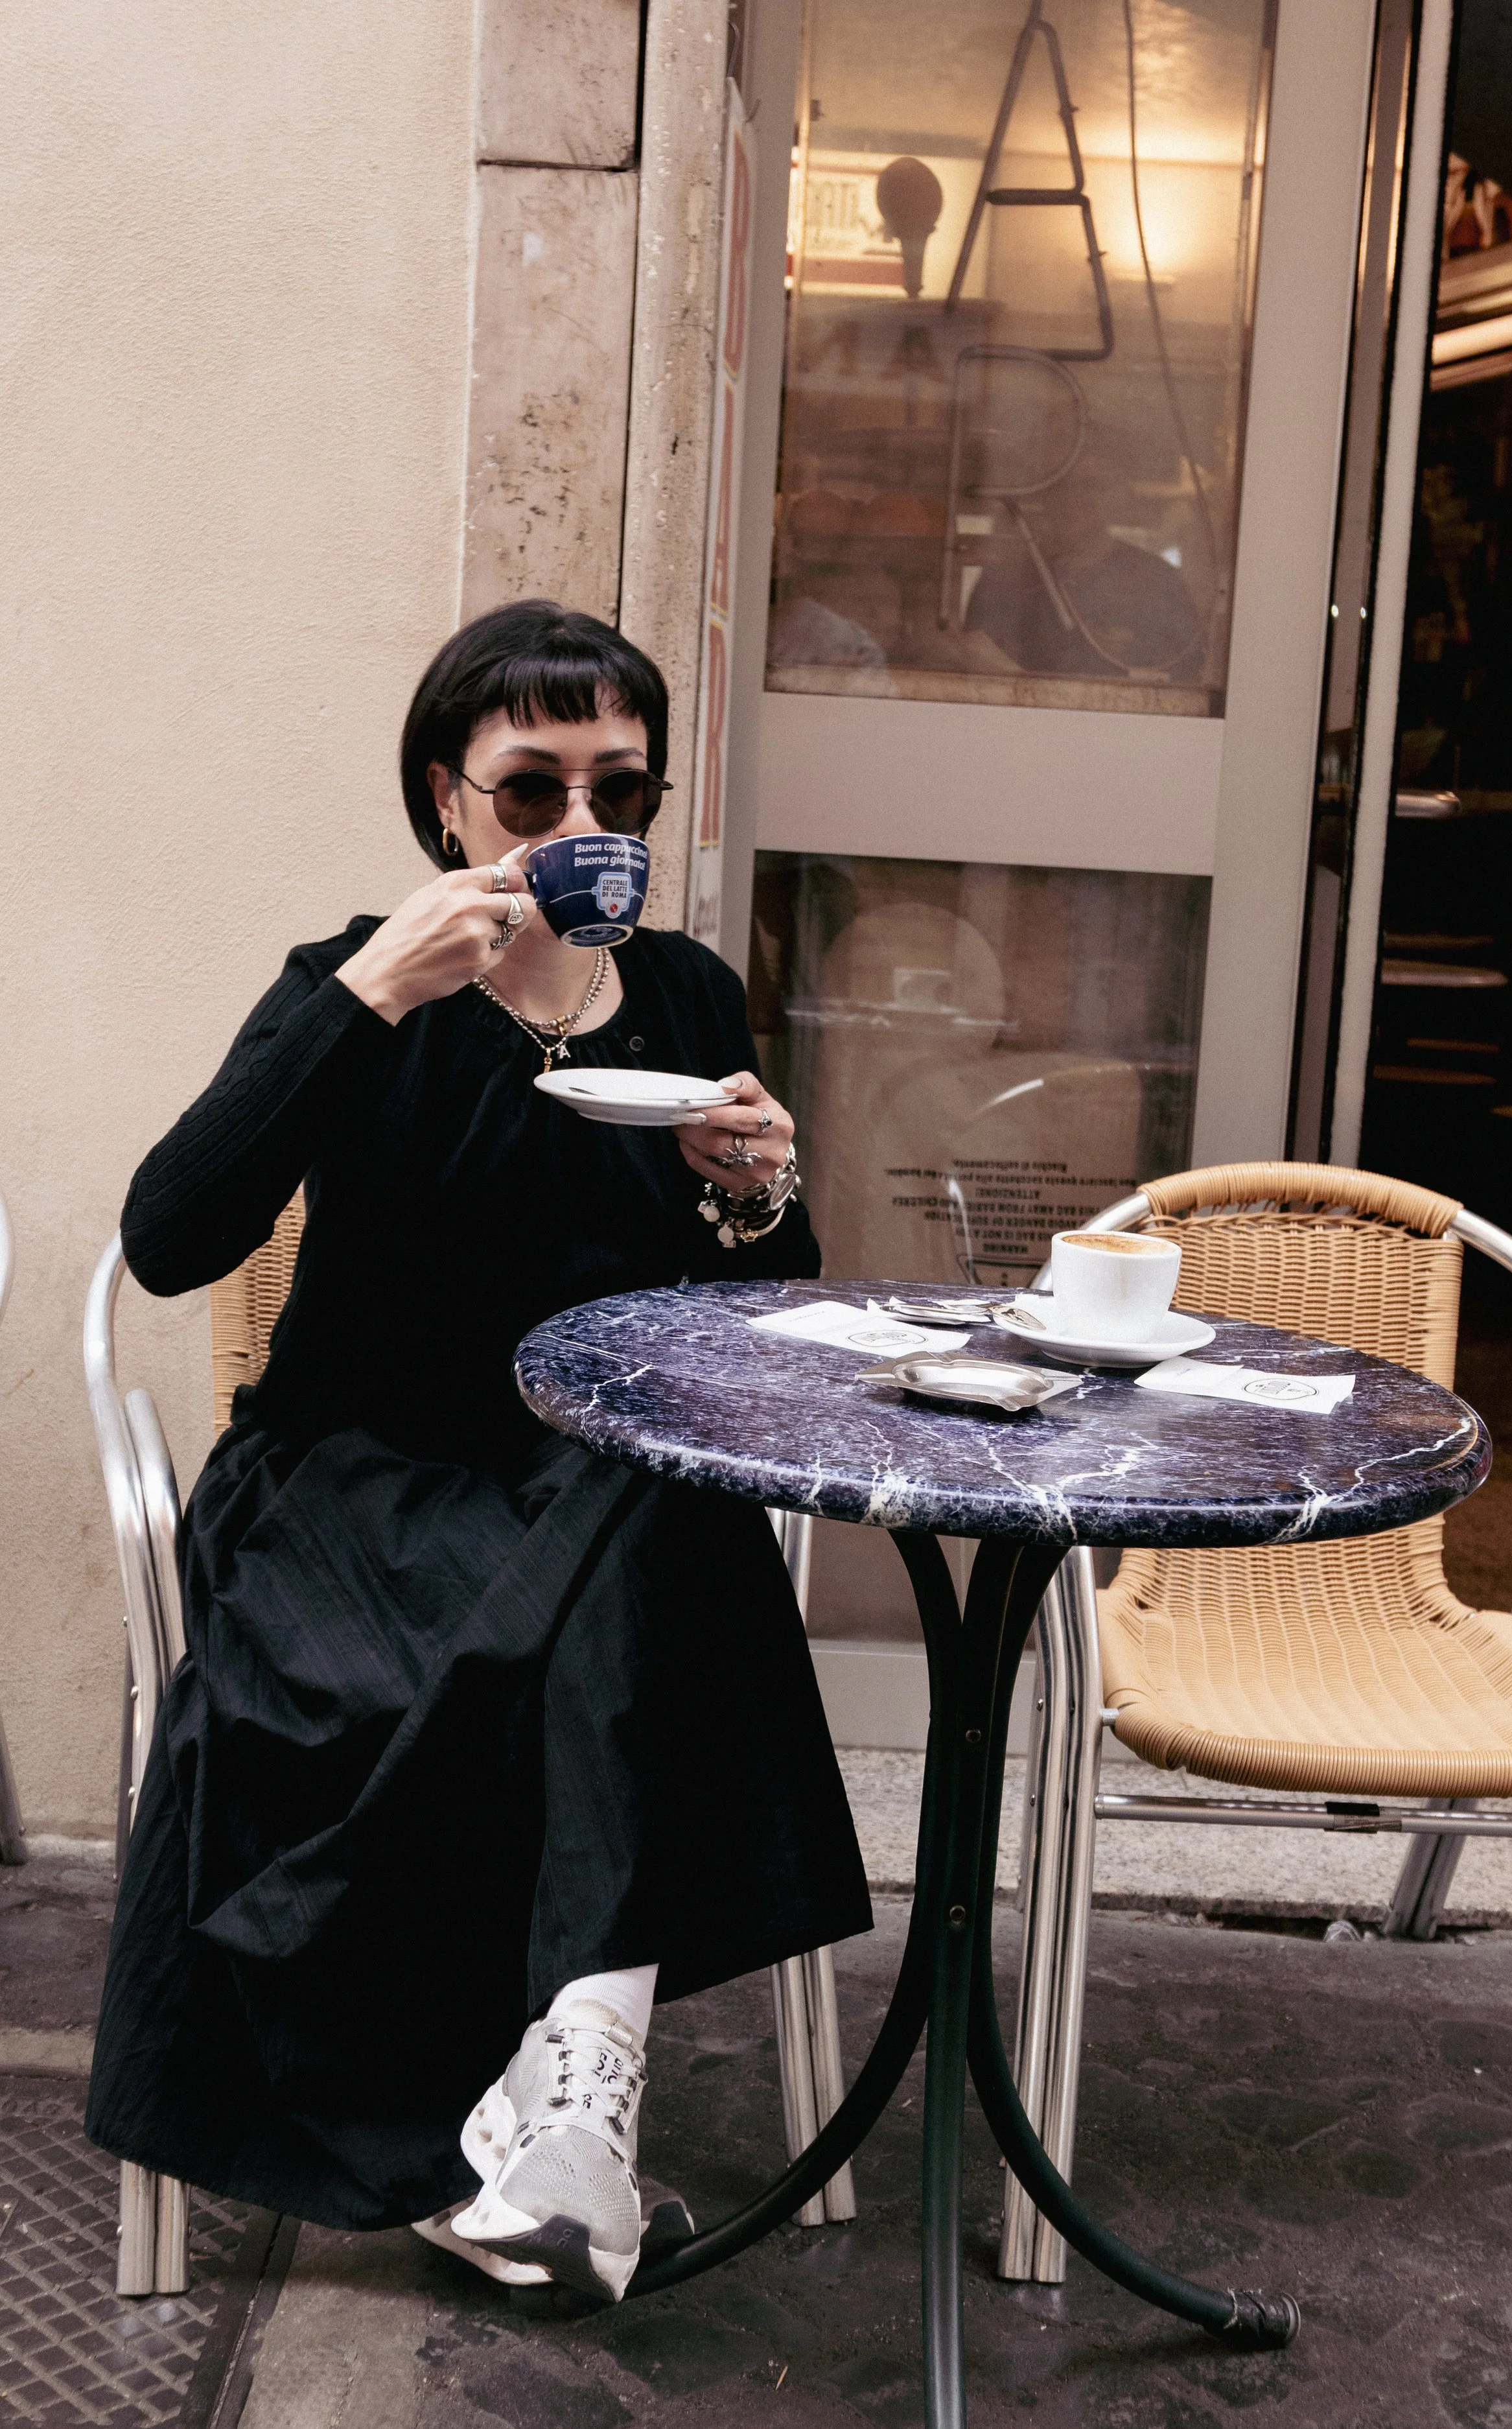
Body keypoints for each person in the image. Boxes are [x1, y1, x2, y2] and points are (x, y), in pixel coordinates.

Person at [85, 600, 872, 2303]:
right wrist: (371, 991)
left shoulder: (680, 991)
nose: (584, 836)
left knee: (654, 1506)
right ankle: (559, 2119)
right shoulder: (356, 989)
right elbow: (167, 1234)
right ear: (449, 801)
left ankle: (570, 2107)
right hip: (348, 1487)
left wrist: (752, 1190)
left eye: (624, 798)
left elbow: (751, 1309)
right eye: (534, 796)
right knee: (658, 1553)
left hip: (585, 1481)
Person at [963, 451, 1203, 683]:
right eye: (1061, 485)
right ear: (1043, 494)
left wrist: (1128, 655)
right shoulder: (1002, 581)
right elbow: (978, 668)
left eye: (1092, 485)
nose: (1074, 498)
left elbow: (1184, 675)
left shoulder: (1158, 582)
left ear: (1121, 497)